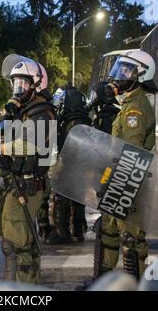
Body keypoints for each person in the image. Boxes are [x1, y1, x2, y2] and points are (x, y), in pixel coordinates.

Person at [96, 50, 157, 280]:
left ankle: (140, 283)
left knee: (131, 239)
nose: (118, 76)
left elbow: (132, 150)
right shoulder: (128, 103)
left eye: (125, 71)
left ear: (140, 75)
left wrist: (117, 182)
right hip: (119, 178)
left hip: (129, 179)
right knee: (108, 231)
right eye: (119, 70)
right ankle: (104, 282)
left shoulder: (135, 108)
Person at [0, 55, 56, 283]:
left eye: (23, 83)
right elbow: (1, 135)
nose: (18, 89)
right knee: (20, 241)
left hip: (30, 184)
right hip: (19, 182)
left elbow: (30, 145)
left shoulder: (42, 112)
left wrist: (2, 147)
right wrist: (7, 115)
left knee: (17, 243)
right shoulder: (24, 111)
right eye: (15, 83)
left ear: (37, 84)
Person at [46, 86, 92, 245]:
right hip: (81, 166)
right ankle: (77, 231)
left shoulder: (72, 122)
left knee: (61, 198)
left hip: (70, 165)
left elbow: (67, 146)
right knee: (78, 199)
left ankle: (62, 232)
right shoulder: (83, 120)